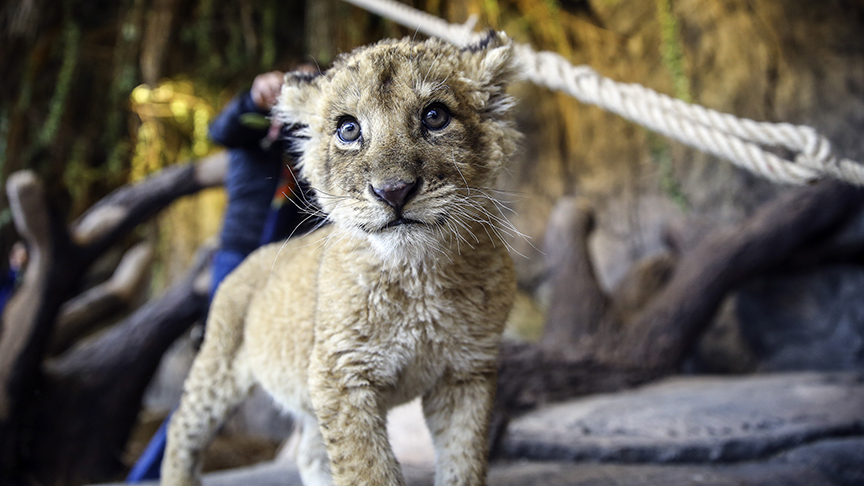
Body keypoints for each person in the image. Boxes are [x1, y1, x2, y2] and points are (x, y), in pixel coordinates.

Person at [127, 70, 318, 482]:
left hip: (289, 263)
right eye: (293, 81)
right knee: (212, 375)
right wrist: (253, 98)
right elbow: (222, 128)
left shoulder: (315, 139)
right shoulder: (252, 128)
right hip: (239, 254)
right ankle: (146, 476)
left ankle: (314, 458)